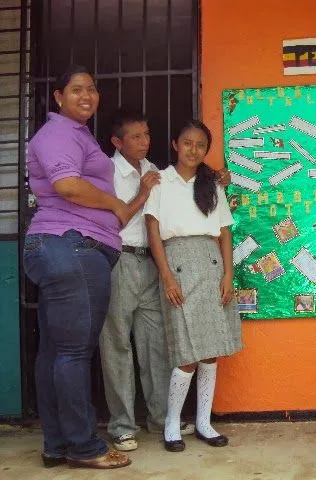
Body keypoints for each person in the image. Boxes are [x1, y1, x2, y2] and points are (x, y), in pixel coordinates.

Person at [23, 65, 135, 469]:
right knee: (72, 353)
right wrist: (115, 205)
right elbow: (67, 184)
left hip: (63, 247)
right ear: (57, 97)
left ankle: (57, 444)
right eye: (75, 90)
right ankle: (83, 445)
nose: (86, 95)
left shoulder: (75, 134)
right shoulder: (58, 133)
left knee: (55, 352)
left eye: (91, 88)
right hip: (71, 246)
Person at [98, 108, 201, 452]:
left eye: (147, 135)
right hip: (119, 260)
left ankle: (160, 418)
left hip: (151, 264)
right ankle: (123, 426)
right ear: (117, 141)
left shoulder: (154, 170)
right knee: (117, 345)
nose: (145, 142)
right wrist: (141, 193)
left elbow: (186, 186)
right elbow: (106, 221)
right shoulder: (105, 171)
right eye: (136, 136)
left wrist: (217, 179)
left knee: (156, 344)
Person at [144, 120, 242, 452]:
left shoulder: (211, 184)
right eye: (187, 143)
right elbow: (153, 232)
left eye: (201, 145)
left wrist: (228, 275)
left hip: (211, 265)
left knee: (211, 352)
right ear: (175, 144)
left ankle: (203, 423)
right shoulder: (160, 181)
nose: (194, 150)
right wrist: (167, 277)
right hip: (178, 267)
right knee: (186, 353)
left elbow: (225, 231)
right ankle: (172, 424)